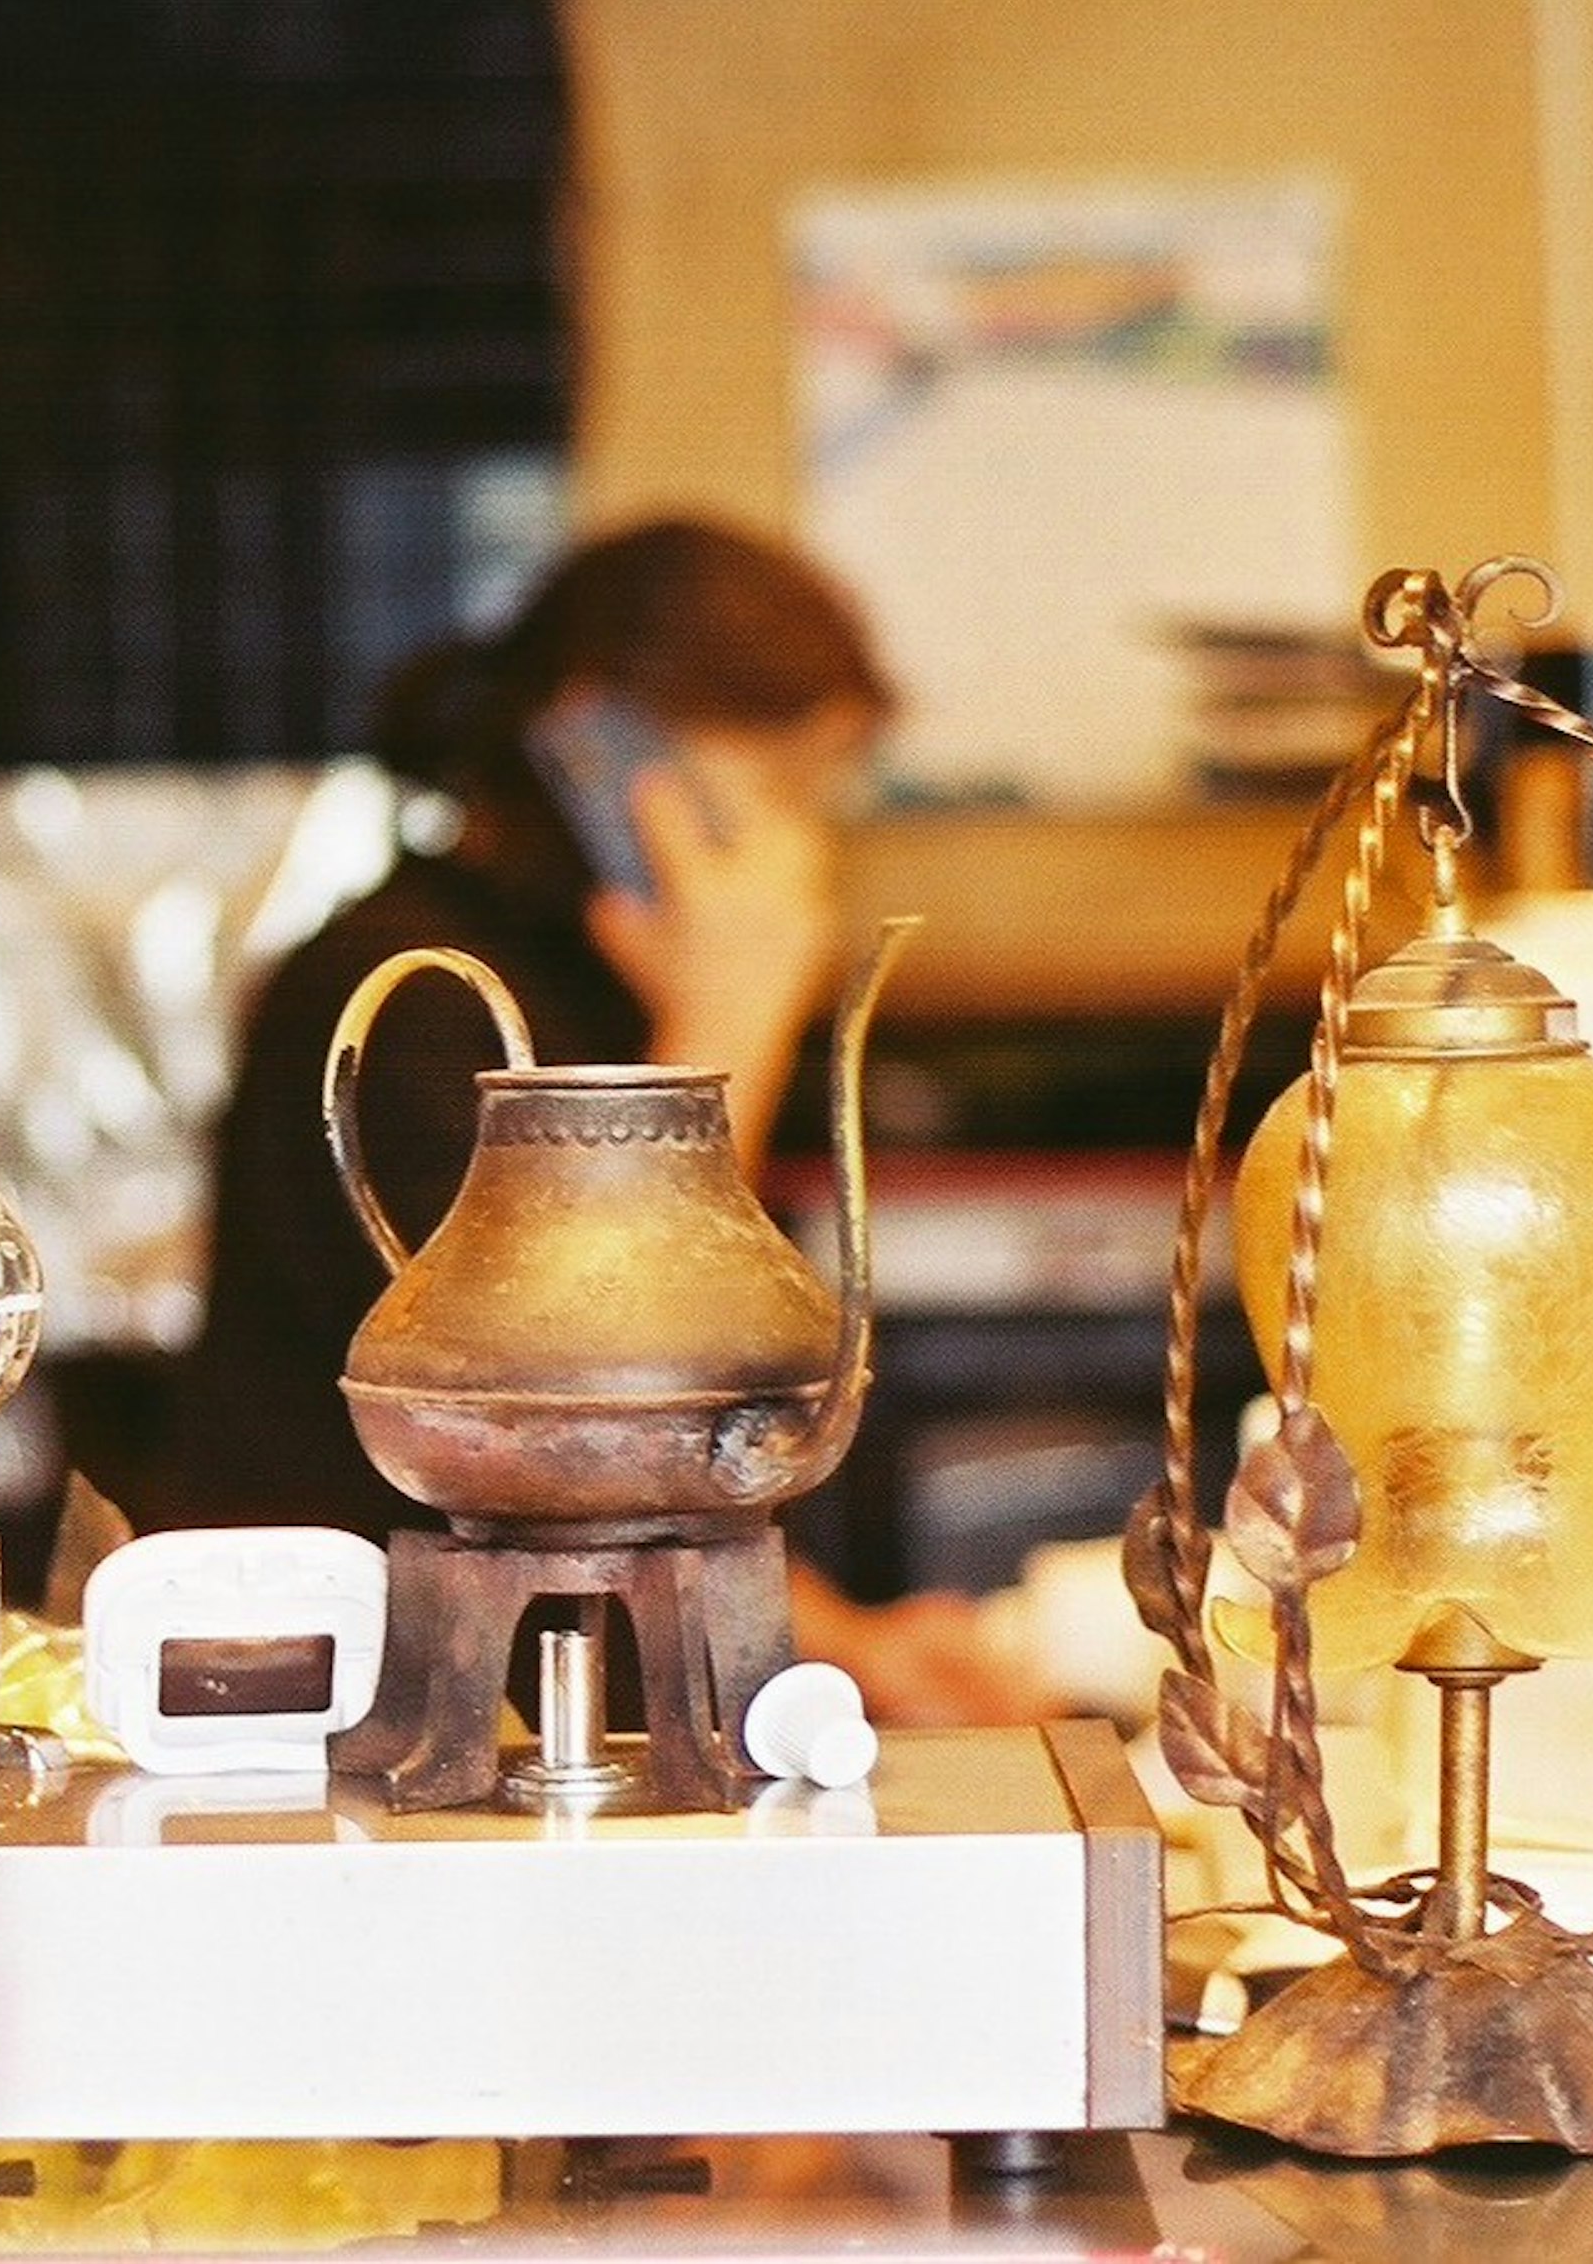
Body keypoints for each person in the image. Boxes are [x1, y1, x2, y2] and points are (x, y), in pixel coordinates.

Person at [141, 516, 1043, 1727]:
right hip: (373, 1721)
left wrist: (848, 1642)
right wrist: (732, 1013)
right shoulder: (405, 989)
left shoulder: (620, 981)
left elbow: (687, 1447)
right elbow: (572, 1421)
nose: (802, 848)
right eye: (773, 789)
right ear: (597, 744)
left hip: (567, 1703)